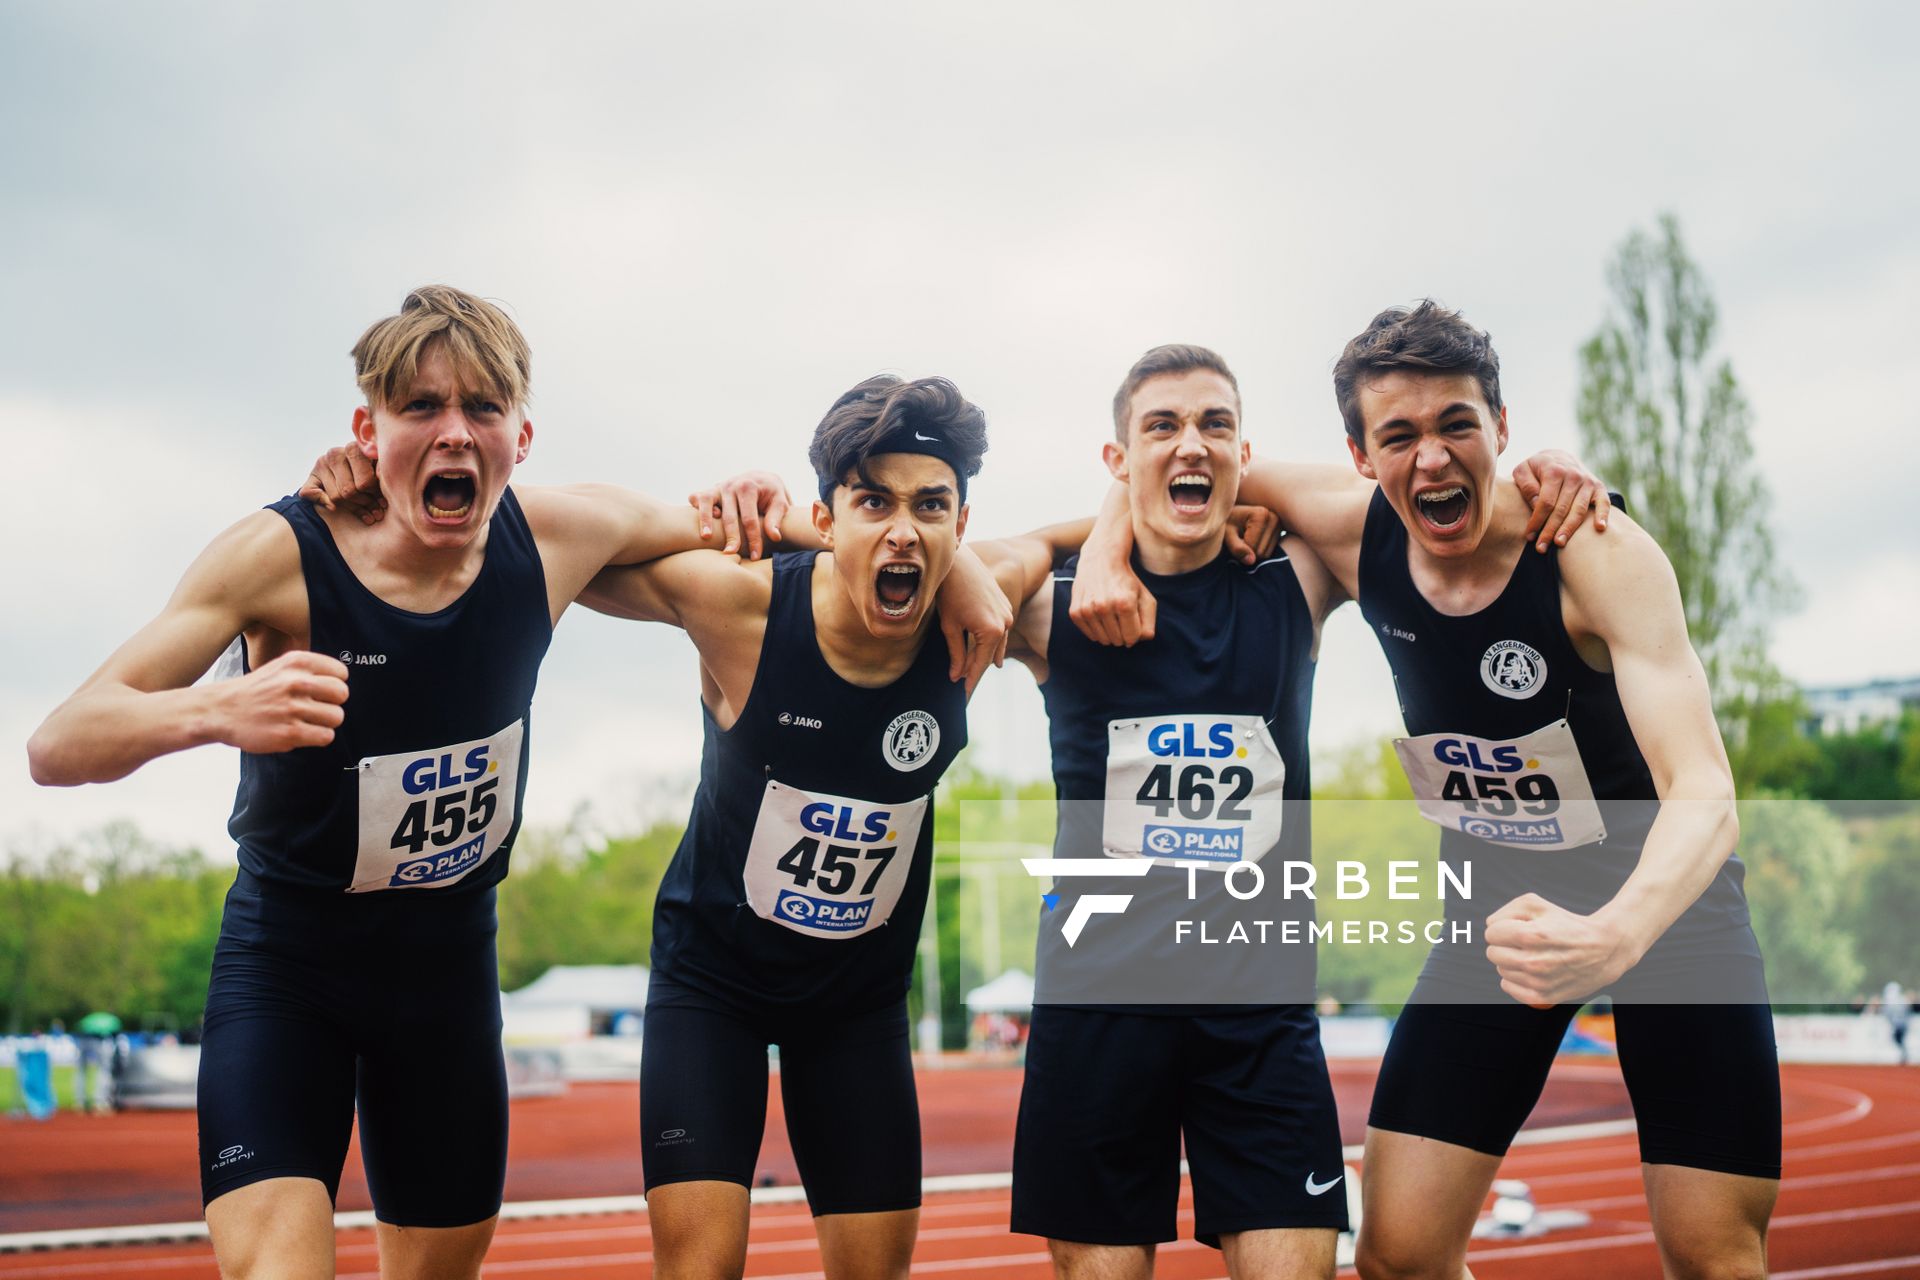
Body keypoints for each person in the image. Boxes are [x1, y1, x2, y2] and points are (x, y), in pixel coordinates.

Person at [26, 285, 800, 1280]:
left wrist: (778, 500)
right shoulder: (280, 556)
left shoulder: (560, 535)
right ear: (366, 428)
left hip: (445, 986)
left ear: (522, 435)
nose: (454, 433)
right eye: (421, 407)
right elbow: (60, 740)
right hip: (287, 970)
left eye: (481, 409)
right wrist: (219, 709)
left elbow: (766, 533)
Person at [1080, 302, 1777, 1280]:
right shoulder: (1355, 529)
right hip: (1498, 920)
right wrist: (1107, 547)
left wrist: (1617, 933)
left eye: (1457, 424)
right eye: (1398, 435)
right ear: (1360, 455)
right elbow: (1174, 481)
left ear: (1502, 426)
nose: (1433, 459)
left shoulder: (1594, 552)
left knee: (1713, 1251)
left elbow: (1704, 786)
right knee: (1399, 1252)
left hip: (1669, 913)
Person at [584, 373, 1066, 1280]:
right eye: (871, 502)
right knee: (700, 1268)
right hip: (712, 988)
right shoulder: (744, 607)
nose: (902, 530)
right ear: (825, 516)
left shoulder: (979, 614)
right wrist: (726, 515)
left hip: (856, 1006)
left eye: (931, 507)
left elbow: (1063, 539)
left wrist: (1167, 534)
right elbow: (576, 546)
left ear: (962, 526)